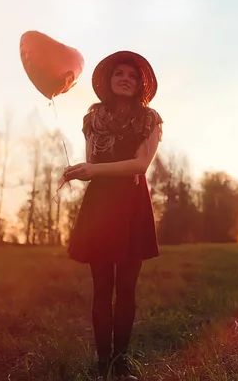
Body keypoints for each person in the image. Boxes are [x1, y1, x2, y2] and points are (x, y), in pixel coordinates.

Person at [63, 50, 163, 380]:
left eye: (133, 76)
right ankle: (102, 363)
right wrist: (81, 170)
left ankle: (121, 362)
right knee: (102, 288)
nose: (125, 79)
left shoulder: (150, 120)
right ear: (109, 80)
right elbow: (92, 161)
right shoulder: (92, 119)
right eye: (119, 73)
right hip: (101, 206)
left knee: (127, 288)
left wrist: (95, 169)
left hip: (132, 203)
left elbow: (140, 165)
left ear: (140, 86)